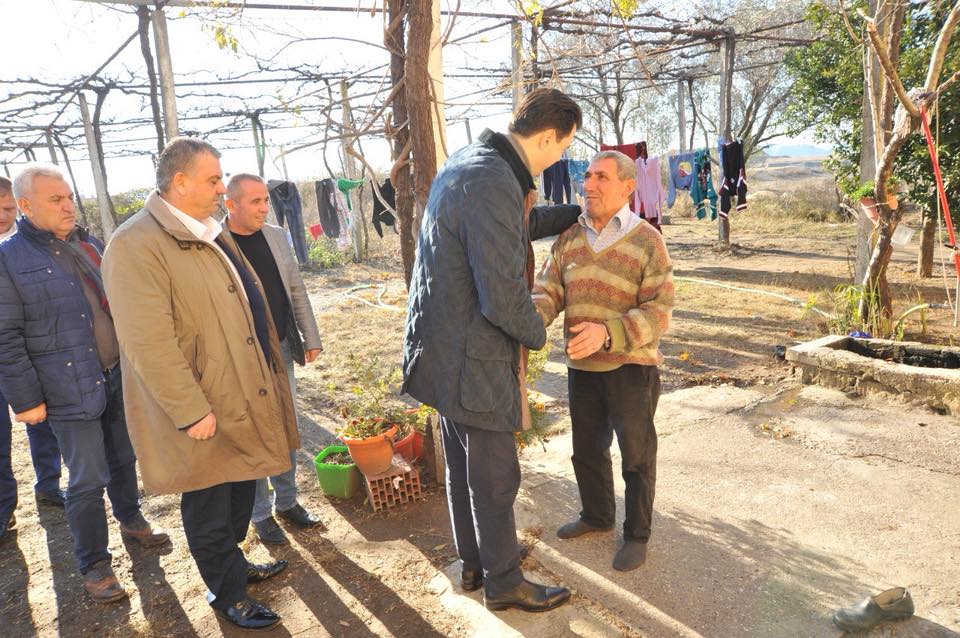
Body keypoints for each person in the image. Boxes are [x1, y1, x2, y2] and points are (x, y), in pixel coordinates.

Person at [101, 138, 297, 631]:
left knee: (237, 490)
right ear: (180, 181)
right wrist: (190, 410)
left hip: (237, 390)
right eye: (212, 179)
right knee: (210, 502)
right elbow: (148, 342)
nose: (219, 188)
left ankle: (235, 566)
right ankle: (227, 593)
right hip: (201, 404)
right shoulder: (135, 243)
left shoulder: (208, 231)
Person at [402, 88, 582, 613]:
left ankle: (477, 561)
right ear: (547, 136)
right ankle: (505, 583)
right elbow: (503, 296)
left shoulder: (470, 164)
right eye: (562, 148)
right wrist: (541, 333)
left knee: (463, 465)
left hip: (441, 348)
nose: (561, 158)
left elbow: (506, 229)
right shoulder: (493, 180)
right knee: (496, 474)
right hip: (471, 355)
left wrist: (569, 214)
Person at [0, 165, 169, 602]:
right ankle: (94, 563)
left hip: (114, 375)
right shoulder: (9, 259)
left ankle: (132, 520)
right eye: (55, 199)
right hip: (66, 389)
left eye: (68, 196)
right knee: (88, 477)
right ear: (25, 206)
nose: (67, 205)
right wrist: (26, 399)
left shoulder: (88, 245)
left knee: (123, 456)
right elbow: (6, 336)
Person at [531, 151, 674, 571]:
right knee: (587, 450)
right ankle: (596, 515)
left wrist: (607, 333)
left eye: (601, 178)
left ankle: (637, 535)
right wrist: (528, 324)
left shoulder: (648, 239)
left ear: (628, 186)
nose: (588, 185)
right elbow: (547, 291)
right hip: (582, 370)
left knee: (637, 455)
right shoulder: (569, 238)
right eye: (588, 176)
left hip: (632, 368)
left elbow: (659, 310)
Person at [223, 173, 323, 545]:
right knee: (253, 431)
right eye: (255, 202)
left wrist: (309, 337)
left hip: (280, 346)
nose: (265, 208)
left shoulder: (277, 237)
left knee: (286, 425)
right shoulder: (215, 244)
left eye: (266, 201)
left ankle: (287, 501)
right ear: (230, 204)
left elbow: (295, 289)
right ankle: (260, 513)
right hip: (241, 356)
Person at [0, 175, 65, 544]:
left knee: (42, 424)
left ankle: (48, 483)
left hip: (28, 351)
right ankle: (4, 507)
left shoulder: (29, 246)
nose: (4, 216)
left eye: (9, 208)